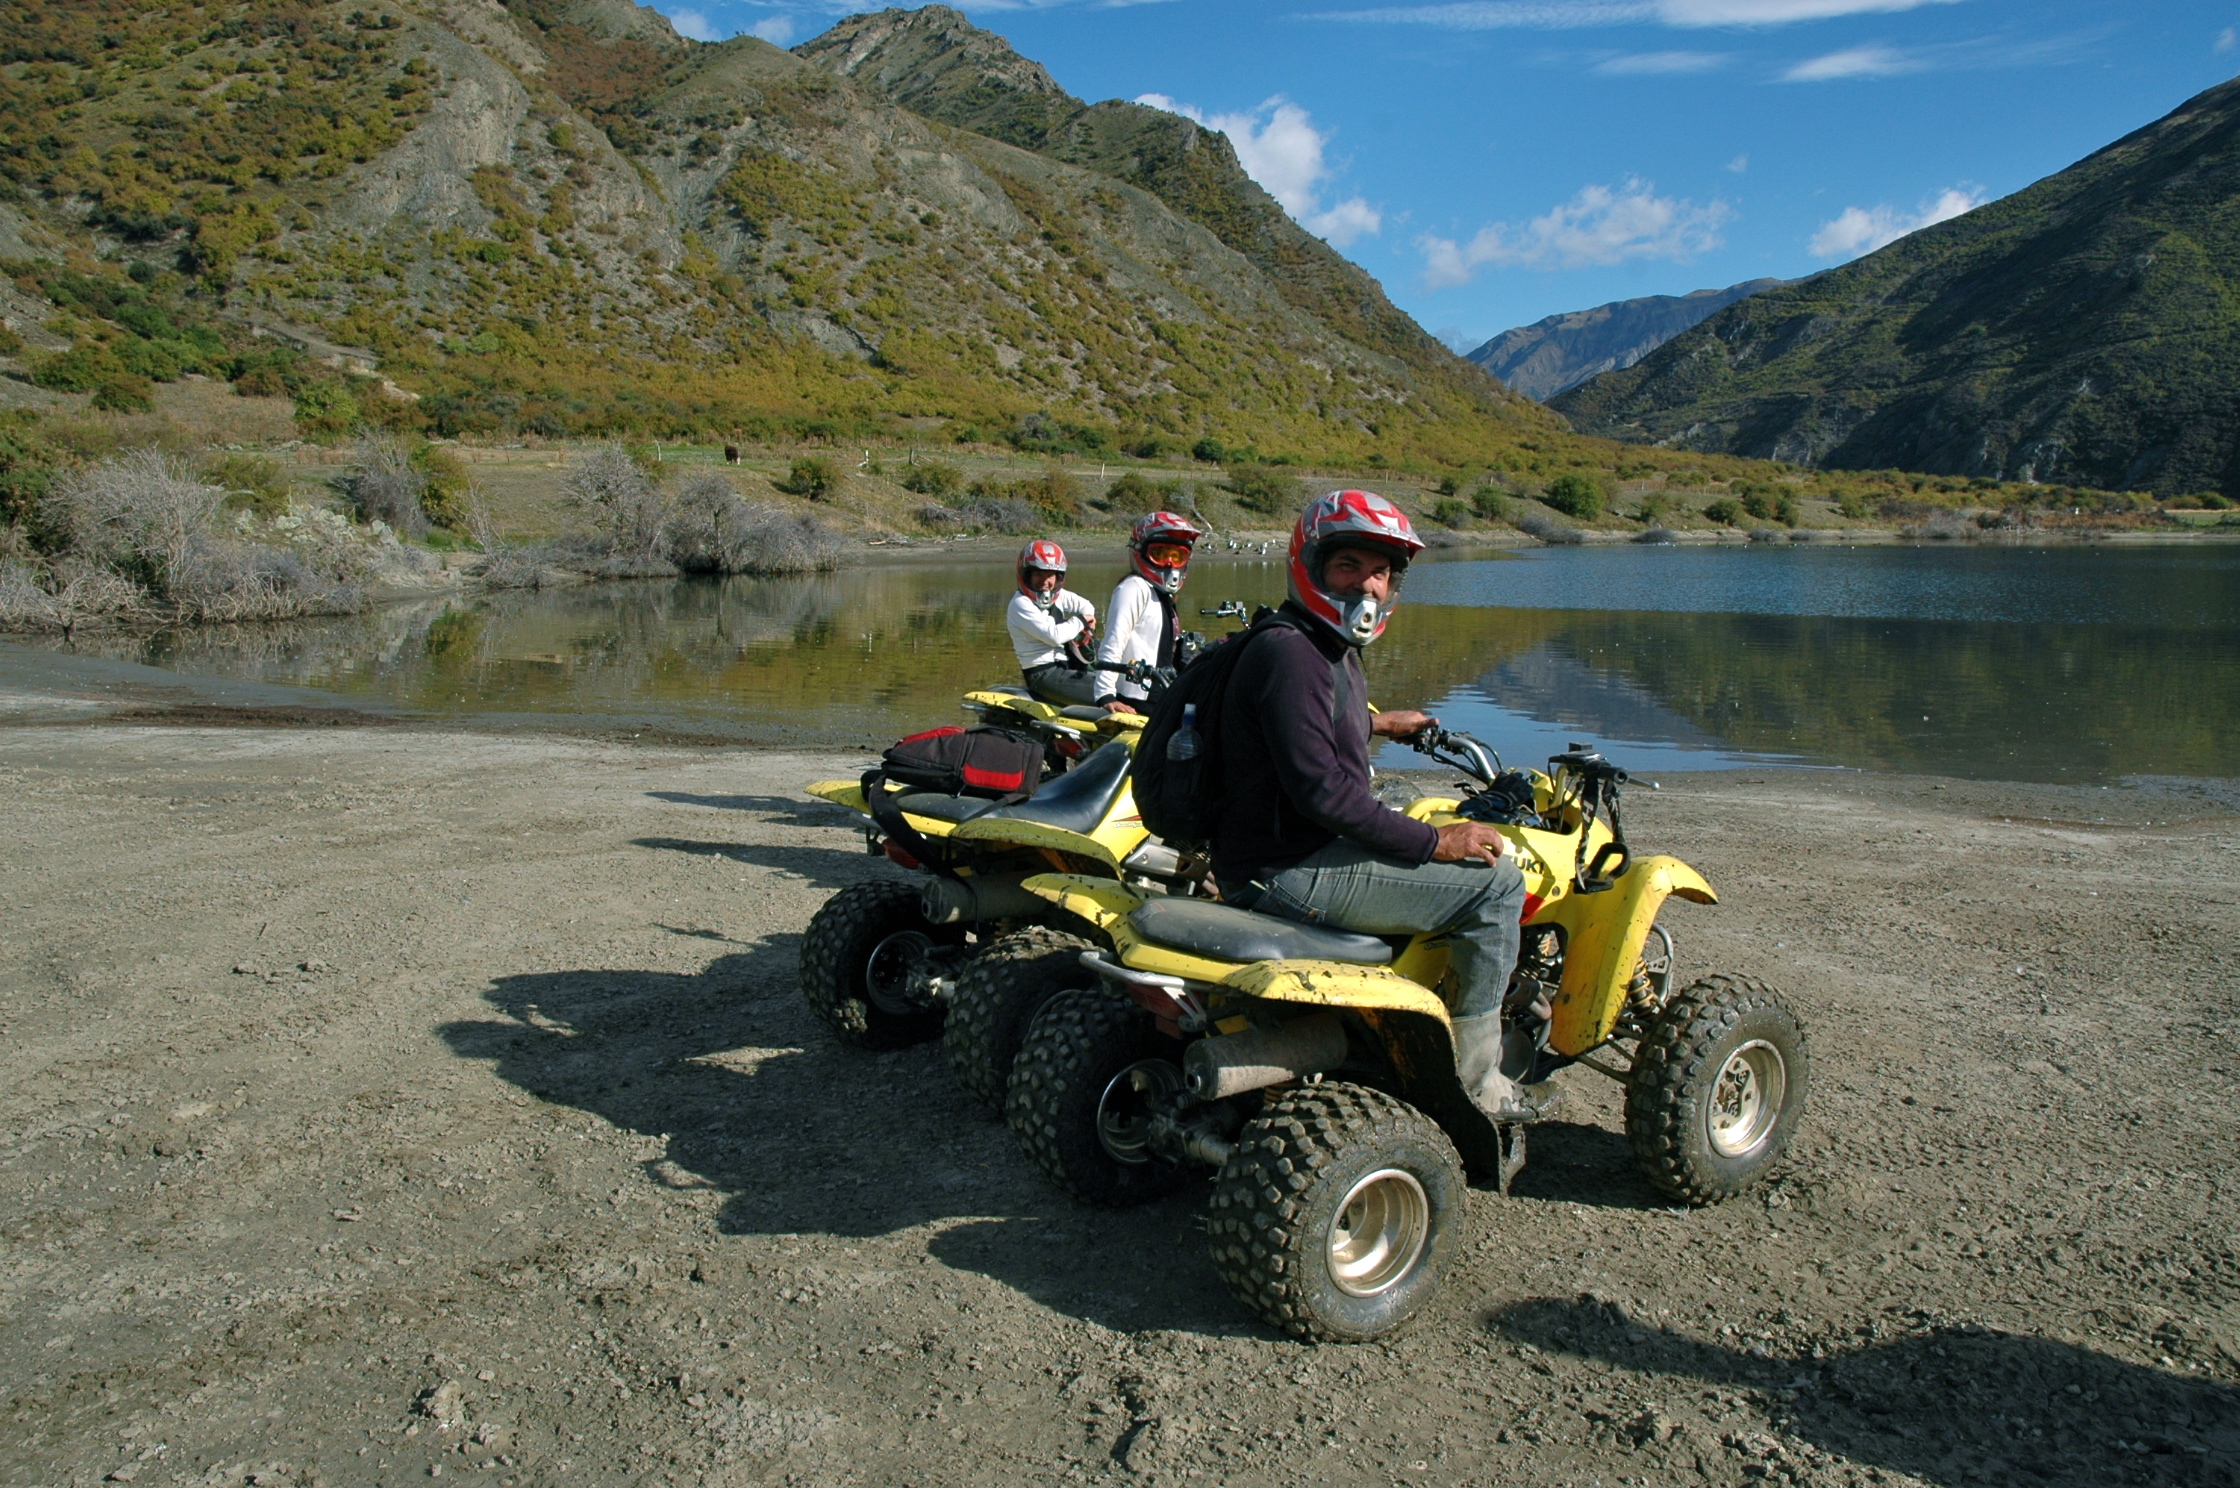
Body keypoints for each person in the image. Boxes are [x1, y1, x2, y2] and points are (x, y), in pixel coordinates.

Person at [1211, 489, 1545, 1122]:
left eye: (1381, 572)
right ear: (1311, 565)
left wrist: (1378, 723)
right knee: (1497, 884)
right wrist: (1437, 841)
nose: (1368, 585)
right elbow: (1323, 791)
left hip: (1270, 852)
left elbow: (1301, 735)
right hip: (1287, 868)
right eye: (1350, 565)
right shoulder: (1294, 653)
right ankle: (1480, 1083)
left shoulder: (1313, 642)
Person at [1094, 510, 1202, 715]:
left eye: (1176, 556)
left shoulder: (1161, 594)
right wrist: (1105, 695)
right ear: (1140, 551)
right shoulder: (1134, 588)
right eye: (1160, 554)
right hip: (1137, 697)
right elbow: (1113, 641)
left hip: (1160, 691)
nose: (1169, 563)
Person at [1006, 539, 1100, 706]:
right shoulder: (1020, 603)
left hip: (1066, 667)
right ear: (1026, 575)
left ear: (1058, 578)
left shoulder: (1058, 596)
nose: (1045, 582)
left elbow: (1086, 606)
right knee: (1107, 691)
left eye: (1050, 575)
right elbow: (1053, 636)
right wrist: (1081, 621)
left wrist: (1087, 628)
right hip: (1043, 675)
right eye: (1038, 574)